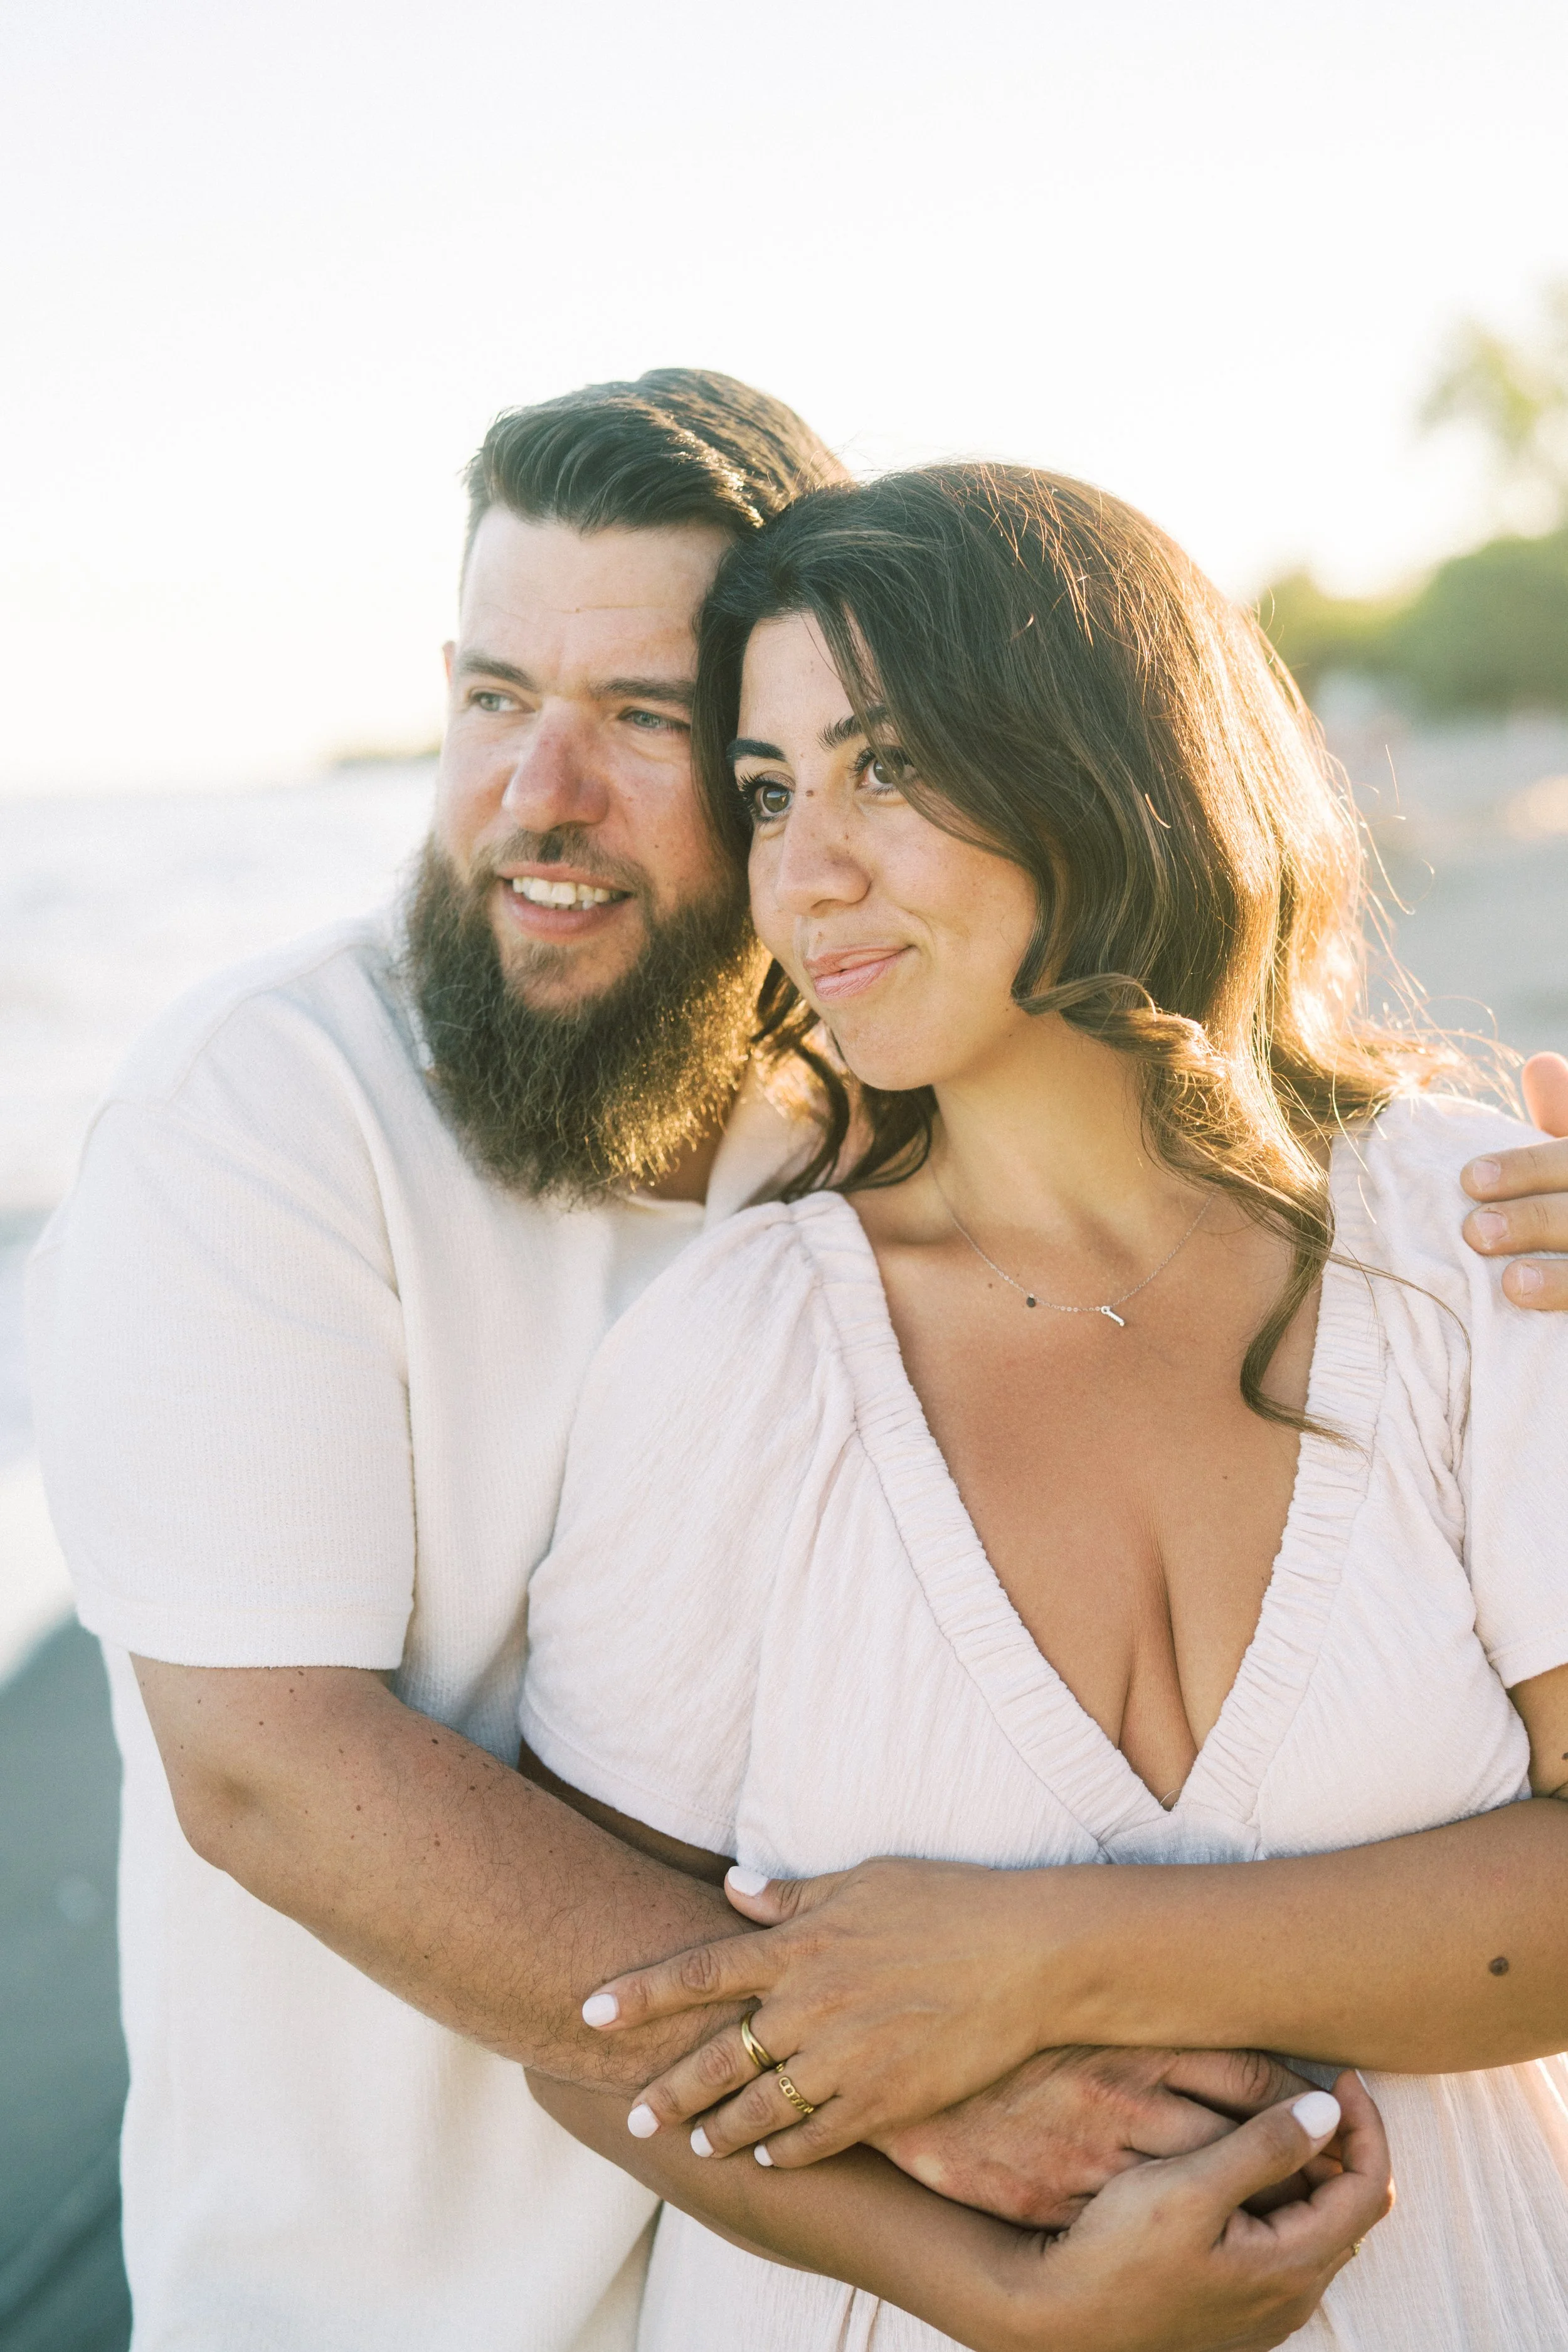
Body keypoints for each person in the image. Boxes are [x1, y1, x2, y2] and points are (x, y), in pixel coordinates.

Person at [24, 373, 1399, 2352]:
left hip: (778, 2301)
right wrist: (932, 2073)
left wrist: (1498, 1171)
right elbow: (269, 1767)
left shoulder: (871, 1088)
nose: (536, 792)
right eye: (493, 698)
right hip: (382, 2306)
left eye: (645, 722)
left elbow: (1215, 1112)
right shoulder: (270, 1104)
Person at [518, 462, 1568, 2349]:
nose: (805, 869)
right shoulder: (732, 1356)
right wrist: (1003, 2296)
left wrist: (1023, 1962)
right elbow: (598, 2028)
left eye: (887, 765)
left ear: (1103, 756)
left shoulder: (1477, 1239)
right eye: (767, 794)